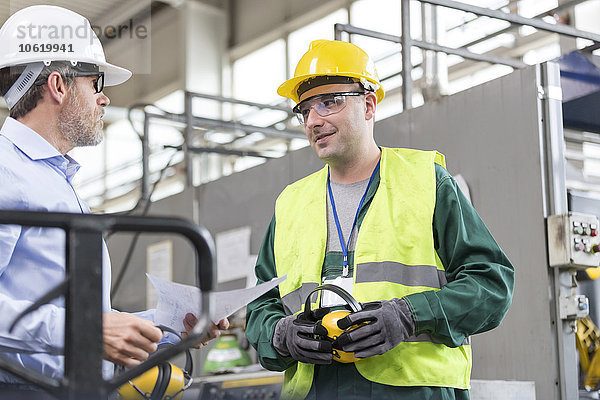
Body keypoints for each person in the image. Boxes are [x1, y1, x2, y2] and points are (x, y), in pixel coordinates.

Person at [246, 39, 514, 399]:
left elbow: (491, 282)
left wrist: (409, 315)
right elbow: (261, 303)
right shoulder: (290, 204)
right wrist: (280, 334)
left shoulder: (426, 182)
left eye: (329, 102)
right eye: (305, 109)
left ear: (369, 105)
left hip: (413, 392)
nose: (313, 120)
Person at [0, 5, 228, 397]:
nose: (104, 100)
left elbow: (86, 322)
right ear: (58, 85)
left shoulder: (53, 179)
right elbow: (82, 327)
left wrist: (168, 326)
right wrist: (87, 329)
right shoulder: (7, 170)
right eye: (96, 83)